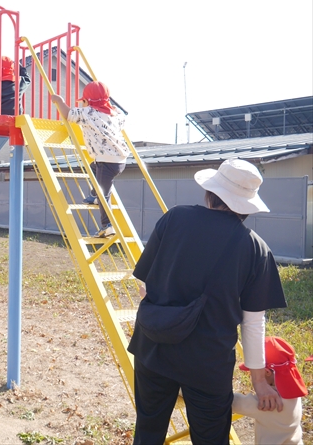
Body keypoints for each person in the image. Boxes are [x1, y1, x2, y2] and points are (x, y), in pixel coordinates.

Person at [127, 158, 287, 444]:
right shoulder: (255, 248)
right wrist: (259, 383)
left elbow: (146, 284)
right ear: (247, 205)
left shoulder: (174, 218)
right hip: (208, 363)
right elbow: (253, 323)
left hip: (154, 348)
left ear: (210, 193)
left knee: (148, 432)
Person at [51, 81, 129, 238]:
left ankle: (107, 225)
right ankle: (94, 196)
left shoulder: (87, 113)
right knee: (93, 168)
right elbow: (122, 116)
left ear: (87, 102)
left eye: (84, 101)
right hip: (119, 160)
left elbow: (68, 114)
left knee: (104, 194)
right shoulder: (115, 115)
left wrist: (60, 101)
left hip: (106, 161)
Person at [233, 336, 307, 445]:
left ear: (266, 372)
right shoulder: (294, 392)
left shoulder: (270, 403)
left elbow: (233, 402)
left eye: (252, 371)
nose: (250, 374)